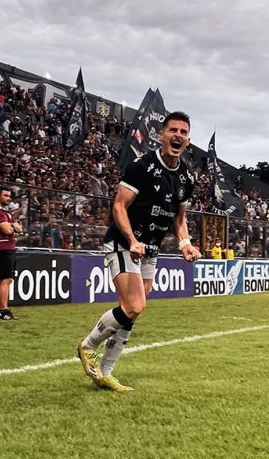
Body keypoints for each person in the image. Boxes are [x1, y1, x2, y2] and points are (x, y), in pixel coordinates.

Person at [76, 111, 201, 392]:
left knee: (132, 311)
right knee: (134, 305)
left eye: (183, 132)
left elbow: (179, 218)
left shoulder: (186, 177)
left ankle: (105, 372)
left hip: (150, 250)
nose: (178, 135)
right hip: (124, 243)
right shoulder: (141, 166)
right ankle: (88, 346)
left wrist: (185, 244)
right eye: (173, 130)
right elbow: (119, 206)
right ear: (161, 135)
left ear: (188, 139)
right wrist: (132, 240)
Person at [0, 187, 22, 320]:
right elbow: (8, 230)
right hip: (2, 248)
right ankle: (4, 310)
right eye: (6, 195)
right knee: (5, 280)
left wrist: (11, 225)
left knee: (5, 280)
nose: (8, 198)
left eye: (9, 196)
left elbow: (18, 228)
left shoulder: (5, 212)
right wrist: (12, 225)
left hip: (8, 247)